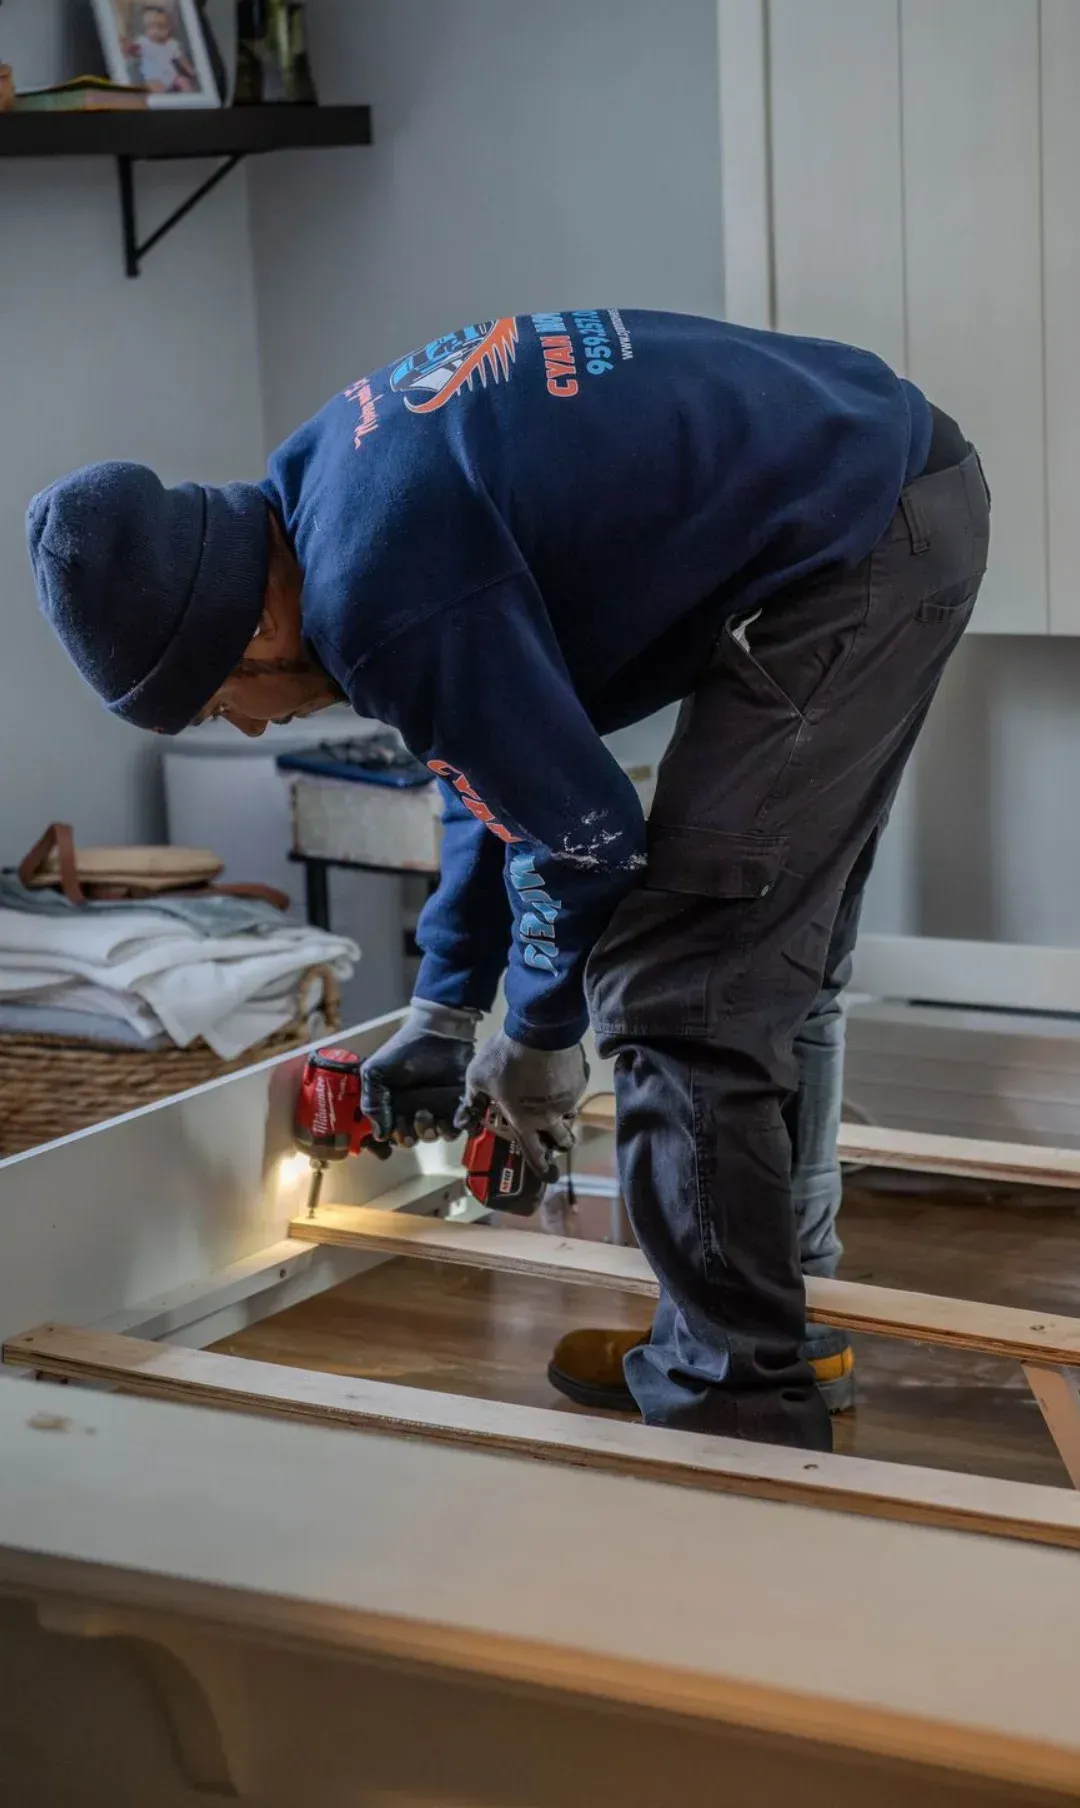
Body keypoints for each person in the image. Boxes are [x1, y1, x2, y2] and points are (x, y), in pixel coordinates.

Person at [26, 310, 989, 1452]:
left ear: (260, 617)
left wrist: (534, 1039)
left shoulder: (377, 586)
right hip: (885, 485)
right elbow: (488, 764)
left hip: (861, 538)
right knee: (773, 958)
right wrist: (445, 1006)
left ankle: (737, 1400)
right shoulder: (323, 494)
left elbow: (586, 840)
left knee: (683, 982)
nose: (240, 721)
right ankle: (772, 1329)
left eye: (219, 697)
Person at [125, 2, 197, 94]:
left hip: (171, 75)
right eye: (151, 26)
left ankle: (192, 99)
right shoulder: (143, 41)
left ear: (169, 28)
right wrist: (130, 48)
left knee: (184, 81)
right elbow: (134, 51)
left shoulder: (172, 43)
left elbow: (181, 58)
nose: (156, 31)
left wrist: (190, 69)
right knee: (156, 89)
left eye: (162, 27)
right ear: (145, 29)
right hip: (153, 77)